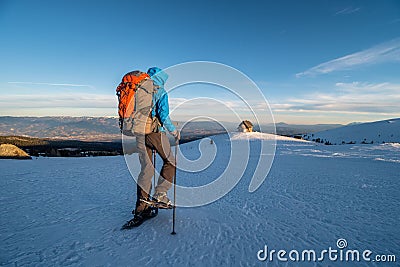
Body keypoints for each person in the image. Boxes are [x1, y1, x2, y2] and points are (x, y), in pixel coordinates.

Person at [132, 67, 180, 226]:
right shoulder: (160, 91)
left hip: (139, 133)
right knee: (171, 162)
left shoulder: (138, 89)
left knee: (146, 169)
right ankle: (160, 194)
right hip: (154, 133)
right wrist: (173, 131)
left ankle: (141, 209)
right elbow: (163, 115)